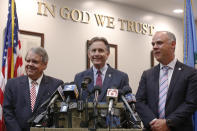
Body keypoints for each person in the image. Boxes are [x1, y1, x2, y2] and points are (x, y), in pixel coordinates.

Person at [135, 31, 197, 131]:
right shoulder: (147, 74)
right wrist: (153, 122)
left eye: (159, 43)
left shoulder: (190, 73)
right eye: (153, 44)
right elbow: (139, 101)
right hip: (152, 128)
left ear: (173, 45)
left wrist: (168, 123)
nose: (154, 47)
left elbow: (191, 103)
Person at [3, 47, 63, 131]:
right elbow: (8, 113)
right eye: (28, 61)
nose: (30, 64)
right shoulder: (12, 84)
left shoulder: (56, 85)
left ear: (45, 65)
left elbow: (59, 115)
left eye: (35, 62)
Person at [74, 36, 129, 102]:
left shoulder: (121, 77)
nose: (96, 54)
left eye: (101, 50)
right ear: (89, 54)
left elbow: (125, 105)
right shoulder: (79, 77)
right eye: (94, 50)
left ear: (107, 54)